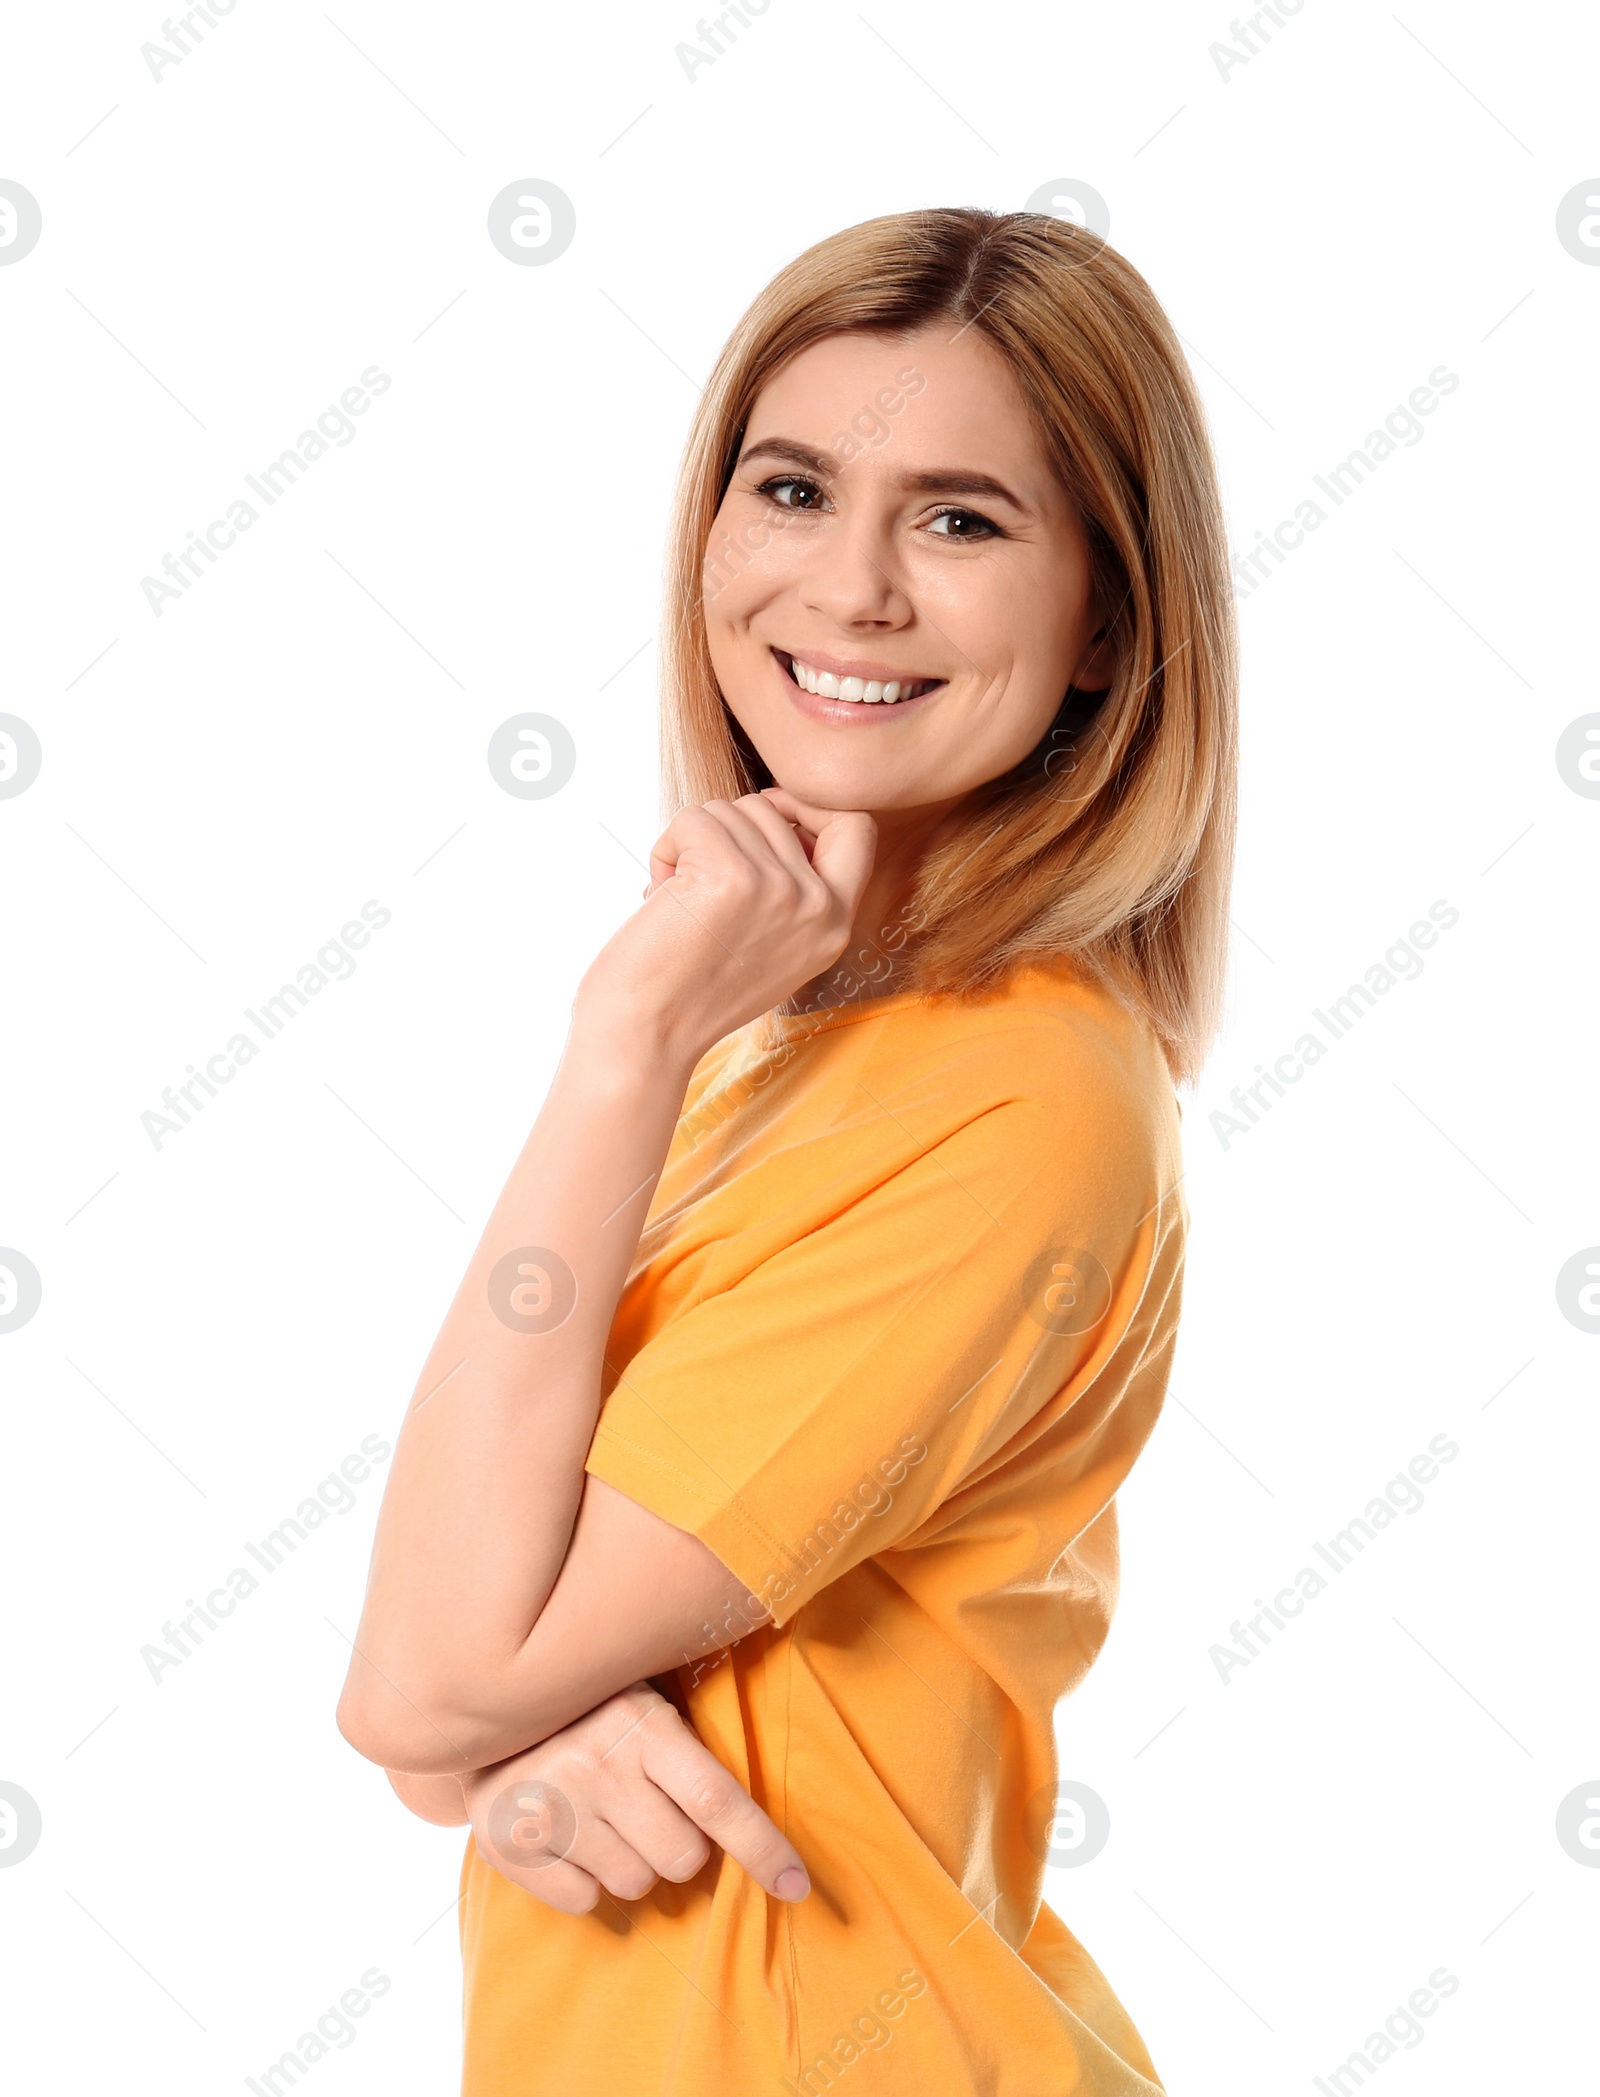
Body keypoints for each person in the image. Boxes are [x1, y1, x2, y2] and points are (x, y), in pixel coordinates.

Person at [336, 204, 1238, 2095]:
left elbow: (423, 1674)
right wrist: (517, 1730)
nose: (852, 590)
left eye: (963, 519)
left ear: (1107, 633)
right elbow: (432, 1713)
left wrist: (623, 1039)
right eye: (796, 487)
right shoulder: (797, 1048)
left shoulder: (1021, 1099)